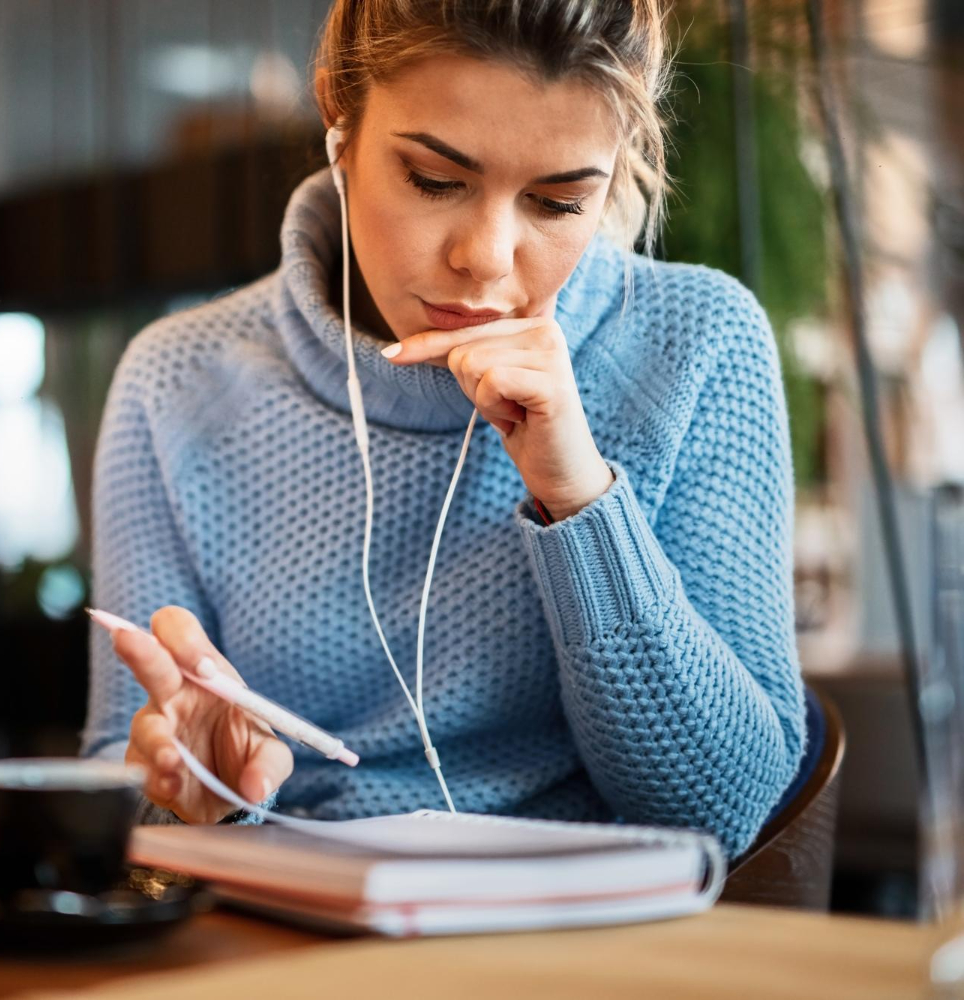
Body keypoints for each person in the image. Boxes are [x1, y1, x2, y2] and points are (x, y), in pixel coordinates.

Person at [81, 0, 805, 858]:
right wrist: (200, 801)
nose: (487, 257)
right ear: (336, 118)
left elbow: (728, 806)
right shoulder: (178, 380)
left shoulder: (697, 342)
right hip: (287, 946)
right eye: (436, 180)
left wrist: (580, 497)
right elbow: (127, 773)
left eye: (558, 201)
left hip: (584, 954)